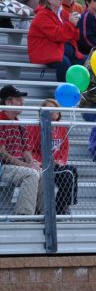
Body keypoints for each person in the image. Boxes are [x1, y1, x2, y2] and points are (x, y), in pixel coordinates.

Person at [26, 99, 78, 215]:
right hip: (42, 164)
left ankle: (62, 206)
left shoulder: (61, 127)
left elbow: (64, 148)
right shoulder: (35, 126)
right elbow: (30, 150)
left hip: (55, 165)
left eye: (55, 108)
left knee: (72, 170)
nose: (54, 111)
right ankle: (59, 208)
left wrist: (61, 161)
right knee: (67, 175)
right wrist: (47, 161)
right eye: (50, 108)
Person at [0, 85, 42, 216]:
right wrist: (27, 166)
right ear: (8, 102)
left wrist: (32, 163)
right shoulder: (1, 120)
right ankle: (24, 217)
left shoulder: (19, 123)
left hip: (16, 166)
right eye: (18, 99)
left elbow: (26, 151)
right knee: (31, 174)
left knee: (42, 172)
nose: (23, 102)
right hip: (3, 166)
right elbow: (2, 153)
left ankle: (42, 215)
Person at [28, 0, 82, 83]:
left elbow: (75, 37)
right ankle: (65, 91)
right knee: (65, 63)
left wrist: (75, 25)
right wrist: (71, 24)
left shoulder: (61, 14)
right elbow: (57, 35)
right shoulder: (42, 15)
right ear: (49, 0)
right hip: (44, 51)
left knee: (86, 61)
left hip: (57, 48)